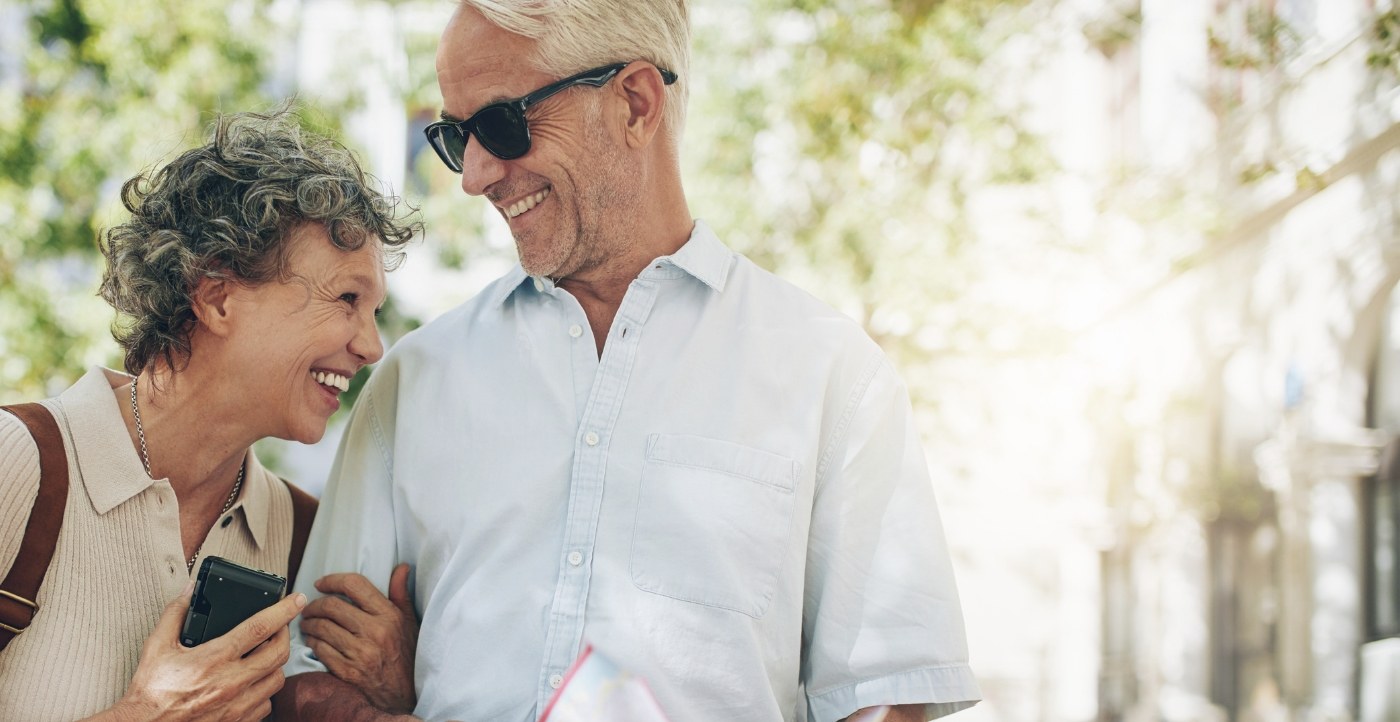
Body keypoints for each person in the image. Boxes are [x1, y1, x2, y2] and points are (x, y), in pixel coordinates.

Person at [276, 2, 981, 721]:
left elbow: (886, 698)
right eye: (458, 138)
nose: (476, 175)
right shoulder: (414, 378)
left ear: (636, 104)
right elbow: (313, 682)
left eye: (500, 125)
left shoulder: (832, 376)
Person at [0, 107, 419, 721]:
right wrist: (150, 713)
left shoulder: (303, 536)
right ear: (217, 297)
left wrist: (397, 685)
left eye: (374, 310)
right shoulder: (18, 465)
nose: (371, 346)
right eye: (347, 299)